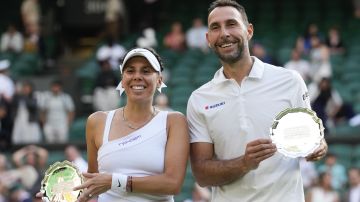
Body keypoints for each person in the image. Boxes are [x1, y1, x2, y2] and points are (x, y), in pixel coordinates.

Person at [186, 1, 328, 201]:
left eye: (232, 24)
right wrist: (244, 163)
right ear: (208, 39)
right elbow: (202, 174)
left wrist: (318, 145)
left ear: (249, 31)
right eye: (215, 27)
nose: (224, 33)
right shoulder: (199, 99)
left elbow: (313, 137)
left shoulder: (290, 81)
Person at [72, 47, 189, 202]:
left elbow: (172, 183)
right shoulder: (96, 121)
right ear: (122, 79)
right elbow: (93, 184)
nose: (137, 77)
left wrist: (114, 182)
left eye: (146, 71)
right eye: (130, 71)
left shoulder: (174, 121)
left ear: (159, 80)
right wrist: (60, 195)